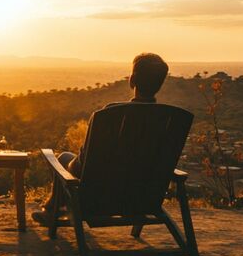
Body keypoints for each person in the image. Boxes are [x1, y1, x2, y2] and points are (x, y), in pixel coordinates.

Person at [31, 53, 170, 226]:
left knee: (64, 159)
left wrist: (70, 167)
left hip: (99, 200)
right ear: (160, 83)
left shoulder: (109, 116)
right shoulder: (168, 120)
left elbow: (82, 164)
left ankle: (52, 211)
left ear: (132, 80)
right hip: (142, 199)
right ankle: (52, 209)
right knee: (68, 159)